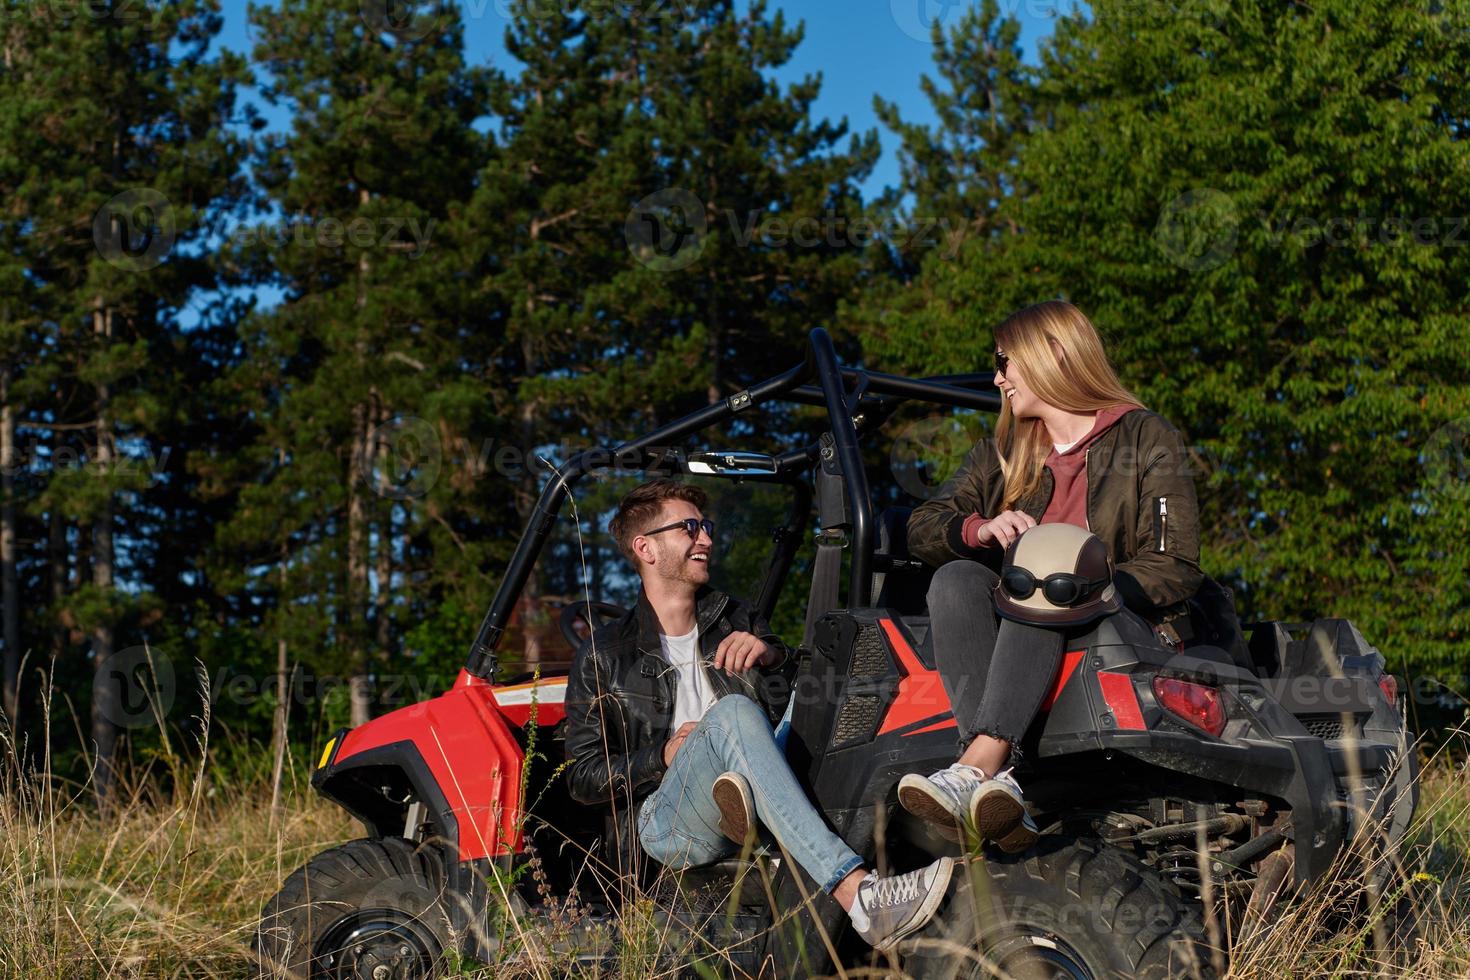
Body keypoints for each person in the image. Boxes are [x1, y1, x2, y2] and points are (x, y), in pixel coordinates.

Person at [564, 479, 954, 950]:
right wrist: (663, 755)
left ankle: (949, 799)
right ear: (645, 547)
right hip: (667, 818)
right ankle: (857, 894)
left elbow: (798, 711)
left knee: (831, 683)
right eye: (690, 528)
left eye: (705, 526)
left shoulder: (739, 619)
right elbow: (582, 778)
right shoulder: (602, 654)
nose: (706, 538)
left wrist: (773, 658)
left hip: (750, 769)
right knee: (730, 713)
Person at [899, 300, 1206, 847]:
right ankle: (994, 777)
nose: (997, 378)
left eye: (1003, 361)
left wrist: (1086, 585)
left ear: (1053, 354)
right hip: (1016, 629)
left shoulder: (1145, 438)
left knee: (1048, 564)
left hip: (1118, 625)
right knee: (955, 580)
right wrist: (980, 529)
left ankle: (978, 767)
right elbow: (922, 525)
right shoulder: (1000, 455)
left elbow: (1175, 567)